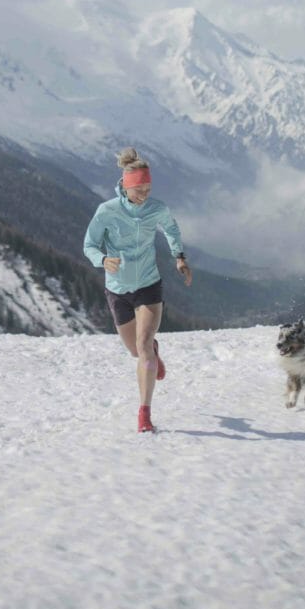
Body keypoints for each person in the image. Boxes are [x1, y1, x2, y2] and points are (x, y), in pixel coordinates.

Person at [83, 147, 192, 433]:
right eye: (139, 190)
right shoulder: (106, 211)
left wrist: (179, 256)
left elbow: (171, 229)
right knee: (136, 350)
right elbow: (89, 245)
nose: (144, 194)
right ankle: (152, 351)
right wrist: (103, 260)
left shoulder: (157, 208)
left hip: (148, 284)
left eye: (148, 188)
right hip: (117, 288)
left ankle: (144, 413)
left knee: (142, 348)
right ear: (126, 187)